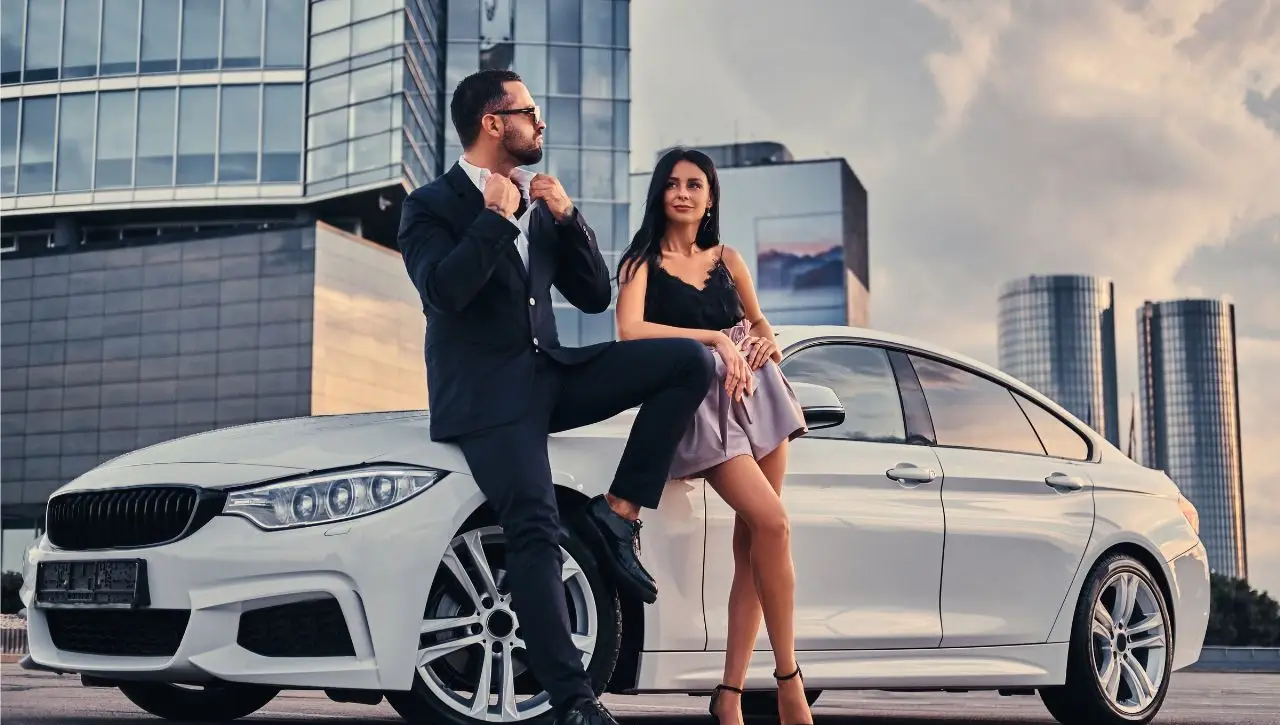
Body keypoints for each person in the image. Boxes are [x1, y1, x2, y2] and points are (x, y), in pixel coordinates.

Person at [396, 70, 715, 725]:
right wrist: (491, 220)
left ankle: (618, 513)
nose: (541, 124)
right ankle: (573, 702)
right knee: (535, 524)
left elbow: (595, 295)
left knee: (687, 360)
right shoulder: (429, 205)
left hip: (552, 374)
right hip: (486, 397)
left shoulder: (539, 204)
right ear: (493, 123)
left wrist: (569, 220)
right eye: (530, 113)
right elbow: (443, 292)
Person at [614, 147, 813, 725]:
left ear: (710, 197)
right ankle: (788, 681)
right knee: (773, 522)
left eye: (695, 184)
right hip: (701, 405)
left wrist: (764, 341)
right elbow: (629, 331)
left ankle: (729, 696)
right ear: (659, 194)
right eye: (672, 183)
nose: (683, 192)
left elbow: (758, 321)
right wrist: (716, 339)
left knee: (754, 543)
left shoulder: (728, 257)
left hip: (759, 394)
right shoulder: (640, 263)